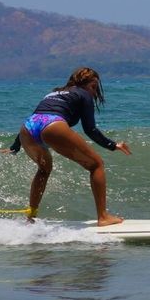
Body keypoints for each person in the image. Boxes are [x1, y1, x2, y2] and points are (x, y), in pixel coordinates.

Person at [20, 67, 131, 226]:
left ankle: (30, 218)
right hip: (52, 125)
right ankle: (103, 217)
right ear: (91, 83)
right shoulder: (84, 94)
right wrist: (112, 145)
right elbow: (90, 129)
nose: (94, 92)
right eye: (94, 87)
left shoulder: (54, 92)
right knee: (96, 164)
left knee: (44, 169)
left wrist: (16, 145)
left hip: (27, 127)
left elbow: (38, 115)